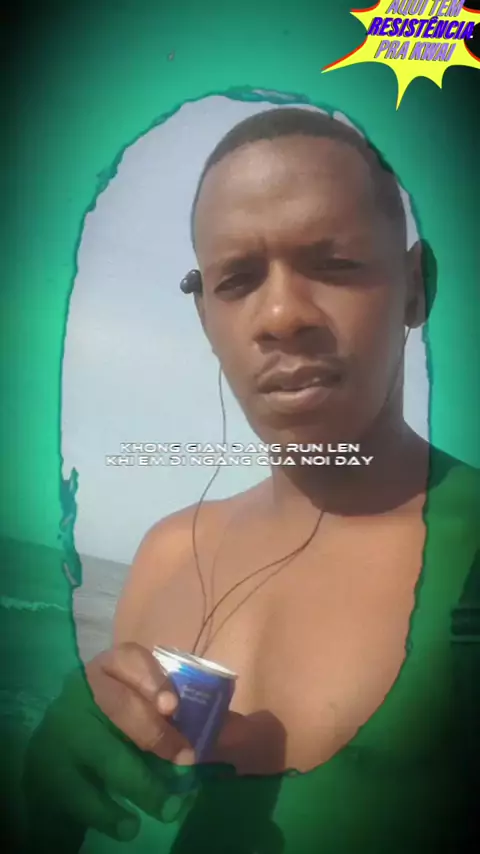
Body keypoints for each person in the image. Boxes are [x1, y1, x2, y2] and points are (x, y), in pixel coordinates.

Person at [23, 108, 479, 854]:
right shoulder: (170, 551)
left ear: (415, 287)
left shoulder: (469, 553)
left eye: (334, 264)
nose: (281, 315)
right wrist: (46, 798)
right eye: (237, 279)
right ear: (206, 318)